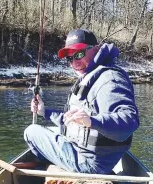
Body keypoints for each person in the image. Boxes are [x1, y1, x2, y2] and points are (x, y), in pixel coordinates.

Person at [24, 29, 139, 174]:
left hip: (91, 164)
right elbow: (72, 121)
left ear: (96, 49)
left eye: (79, 54)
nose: (74, 63)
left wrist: (92, 121)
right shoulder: (91, 75)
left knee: (31, 131)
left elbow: (129, 120)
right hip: (85, 153)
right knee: (52, 129)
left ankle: (54, 167)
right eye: (69, 58)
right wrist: (44, 112)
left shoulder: (110, 79)